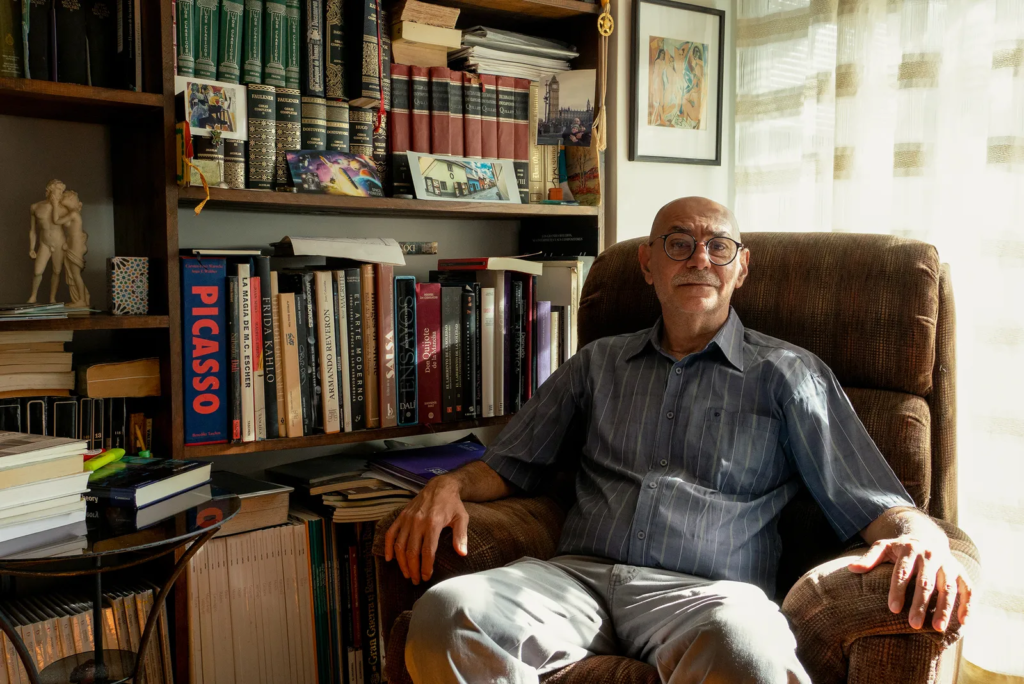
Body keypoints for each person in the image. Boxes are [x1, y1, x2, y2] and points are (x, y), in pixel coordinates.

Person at [386, 197, 974, 684]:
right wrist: (448, 486)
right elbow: (507, 465)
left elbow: (874, 500)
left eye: (719, 246)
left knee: (749, 650)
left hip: (708, 598)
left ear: (741, 268)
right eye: (679, 243)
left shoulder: (789, 375)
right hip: (576, 580)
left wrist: (924, 540)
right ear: (648, 263)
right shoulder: (597, 363)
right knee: (446, 613)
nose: (700, 258)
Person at [28, 179, 68, 304]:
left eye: (61, 191)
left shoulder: (63, 209)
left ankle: (52, 298)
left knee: (57, 271)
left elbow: (70, 228)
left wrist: (68, 244)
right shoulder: (35, 207)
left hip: (59, 243)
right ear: (49, 191)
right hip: (44, 243)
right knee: (37, 271)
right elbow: (33, 230)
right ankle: (33, 296)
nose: (60, 194)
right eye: (58, 191)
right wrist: (31, 248)